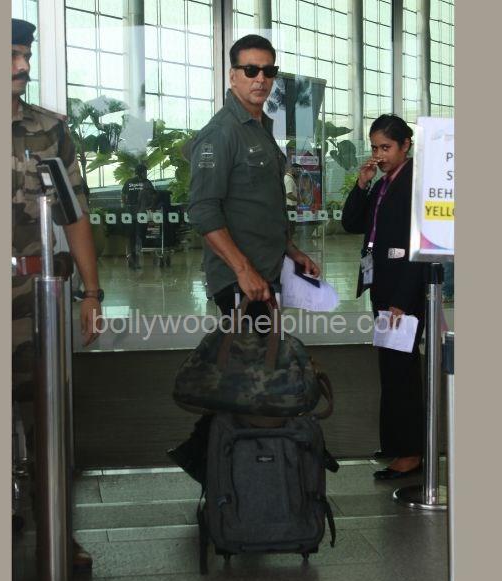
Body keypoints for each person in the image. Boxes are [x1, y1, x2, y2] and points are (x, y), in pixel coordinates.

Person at [167, 34, 320, 483]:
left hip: (263, 274)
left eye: (268, 71)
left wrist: (292, 251)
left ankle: (220, 465)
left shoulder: (260, 128)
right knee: (252, 380)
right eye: (250, 70)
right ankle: (221, 467)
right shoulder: (221, 133)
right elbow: (203, 211)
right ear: (232, 75)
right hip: (241, 280)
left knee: (247, 377)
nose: (260, 79)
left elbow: (262, 205)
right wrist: (243, 270)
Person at [11, 18, 103, 571]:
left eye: (26, 55)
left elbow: (76, 215)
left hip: (31, 302)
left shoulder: (49, 131)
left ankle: (58, 535)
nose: (23, 66)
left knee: (48, 424)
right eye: (11, 55)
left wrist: (91, 293)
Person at [341, 114, 426, 481]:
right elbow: (351, 223)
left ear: (406, 145)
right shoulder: (381, 183)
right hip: (383, 287)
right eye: (375, 148)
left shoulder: (416, 183)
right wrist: (362, 184)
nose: (379, 155)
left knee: (402, 371)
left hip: (403, 292)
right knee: (389, 369)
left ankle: (411, 453)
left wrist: (403, 300)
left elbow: (421, 248)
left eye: (386, 147)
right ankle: (395, 442)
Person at [121, 164, 156, 270]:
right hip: (141, 213)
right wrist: (151, 206)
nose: (146, 174)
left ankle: (131, 257)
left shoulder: (128, 182)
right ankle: (137, 258)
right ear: (142, 172)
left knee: (131, 236)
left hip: (130, 213)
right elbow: (154, 196)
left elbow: (123, 196)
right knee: (140, 235)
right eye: (145, 172)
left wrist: (126, 206)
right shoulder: (146, 182)